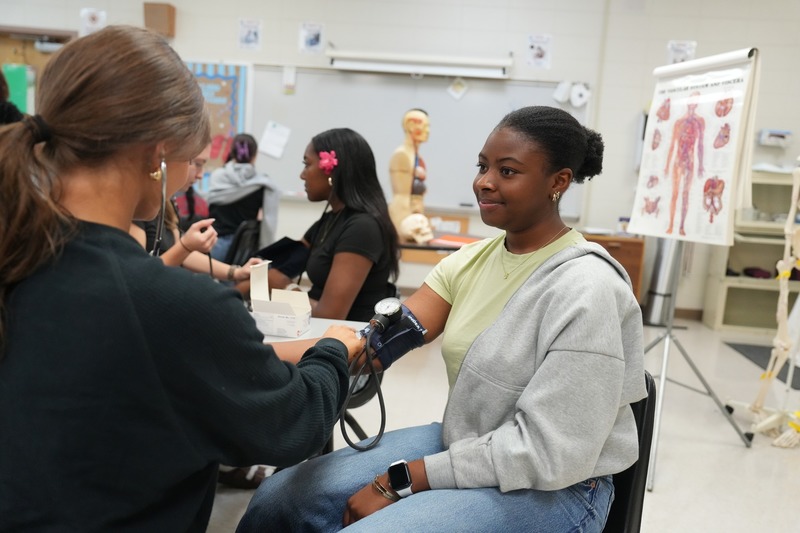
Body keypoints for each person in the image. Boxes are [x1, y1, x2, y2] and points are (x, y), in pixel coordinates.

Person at [0, 25, 365, 531]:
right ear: (158, 154)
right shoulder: (169, 304)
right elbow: (291, 425)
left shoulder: (21, 255)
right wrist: (334, 351)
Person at [238, 106, 647, 532]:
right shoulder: (470, 261)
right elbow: (375, 345)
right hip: (469, 439)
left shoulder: (588, 289)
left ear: (558, 182)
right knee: (279, 499)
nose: (484, 181)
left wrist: (405, 478)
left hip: (557, 485)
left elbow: (549, 453)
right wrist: (248, 354)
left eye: (507, 171)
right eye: (483, 166)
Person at [268, 128, 400, 322]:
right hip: (316, 327)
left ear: (333, 171)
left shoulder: (362, 228)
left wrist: (286, 288)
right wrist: (241, 276)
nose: (302, 175)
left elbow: (330, 315)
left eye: (307, 164)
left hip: (345, 335)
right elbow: (281, 267)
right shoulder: (329, 221)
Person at [130, 143, 261, 287]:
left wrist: (235, 272)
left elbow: (182, 253)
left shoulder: (168, 203)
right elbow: (137, 277)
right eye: (197, 164)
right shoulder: (136, 209)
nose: (200, 175)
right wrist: (185, 246)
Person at [207, 133, 280, 261]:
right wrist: (265, 253)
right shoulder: (262, 184)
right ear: (255, 156)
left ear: (232, 153)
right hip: (243, 249)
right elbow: (268, 225)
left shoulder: (217, 177)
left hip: (213, 244)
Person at [664, 91, 705, 236]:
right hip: (678, 161)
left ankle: (681, 226)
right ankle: (671, 225)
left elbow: (700, 144)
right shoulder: (679, 122)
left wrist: (701, 164)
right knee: (675, 193)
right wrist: (667, 165)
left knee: (685, 194)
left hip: (690, 161)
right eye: (692, 100)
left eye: (696, 100)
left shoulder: (699, 122)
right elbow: (672, 145)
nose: (693, 103)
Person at [387, 108, 429, 230]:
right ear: (410, 126)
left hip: (415, 211)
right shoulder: (402, 155)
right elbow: (402, 196)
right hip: (403, 214)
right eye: (425, 126)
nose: (428, 131)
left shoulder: (415, 156)